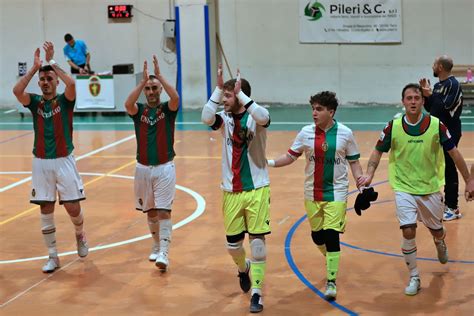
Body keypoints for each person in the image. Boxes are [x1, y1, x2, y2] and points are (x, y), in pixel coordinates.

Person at [358, 83, 471, 296]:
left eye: (416, 98)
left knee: (436, 230)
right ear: (403, 102)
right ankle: (414, 276)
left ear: (422, 101)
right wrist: (370, 174)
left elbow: (454, 154)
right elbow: (377, 151)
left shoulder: (437, 125)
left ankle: (440, 241)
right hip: (403, 187)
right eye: (408, 98)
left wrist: (469, 181)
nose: (412, 101)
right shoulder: (393, 126)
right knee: (408, 230)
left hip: (429, 188)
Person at [267, 91, 363, 301]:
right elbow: (290, 156)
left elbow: (354, 162)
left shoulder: (345, 133)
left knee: (331, 234)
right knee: (317, 236)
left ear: (331, 111)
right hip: (312, 192)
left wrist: (361, 184)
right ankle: (331, 258)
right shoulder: (305, 133)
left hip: (336, 192)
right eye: (313, 108)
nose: (314, 113)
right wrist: (269, 164)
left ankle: (331, 280)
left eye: (319, 109)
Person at [12, 42, 88, 273]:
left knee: (73, 208)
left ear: (56, 81)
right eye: (42, 80)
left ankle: (79, 234)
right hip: (41, 162)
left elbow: (72, 83)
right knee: (45, 208)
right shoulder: (34, 103)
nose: (46, 83)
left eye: (49, 79)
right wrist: (35, 68)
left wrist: (53, 63)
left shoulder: (65, 101)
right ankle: (53, 256)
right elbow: (17, 92)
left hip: (64, 160)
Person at [201, 64, 271, 313]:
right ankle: (244, 269)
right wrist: (219, 88)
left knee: (258, 244)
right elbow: (206, 117)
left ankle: (258, 293)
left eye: (228, 96)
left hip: (257, 189)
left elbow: (264, 117)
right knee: (233, 246)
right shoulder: (225, 120)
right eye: (224, 96)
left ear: (241, 96)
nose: (223, 101)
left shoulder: (255, 117)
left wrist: (241, 95)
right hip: (231, 190)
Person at [124, 55, 179, 272]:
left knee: (164, 211)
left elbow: (175, 97)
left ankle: (164, 253)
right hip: (143, 168)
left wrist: (159, 76)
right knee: (151, 212)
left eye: (154, 88)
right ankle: (156, 245)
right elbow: (127, 104)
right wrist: (142, 82)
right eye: (148, 89)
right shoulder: (139, 112)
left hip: (165, 167)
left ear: (160, 90)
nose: (151, 92)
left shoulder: (168, 110)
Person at [419, 55, 464, 221]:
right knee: (439, 166)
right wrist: (426, 97)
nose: (432, 66)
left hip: (451, 130)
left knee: (450, 167)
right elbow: (432, 109)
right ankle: (441, 201)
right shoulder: (437, 86)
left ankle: (453, 207)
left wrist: (432, 95)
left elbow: (446, 107)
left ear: (440, 67)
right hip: (437, 131)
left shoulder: (453, 84)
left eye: (434, 64)